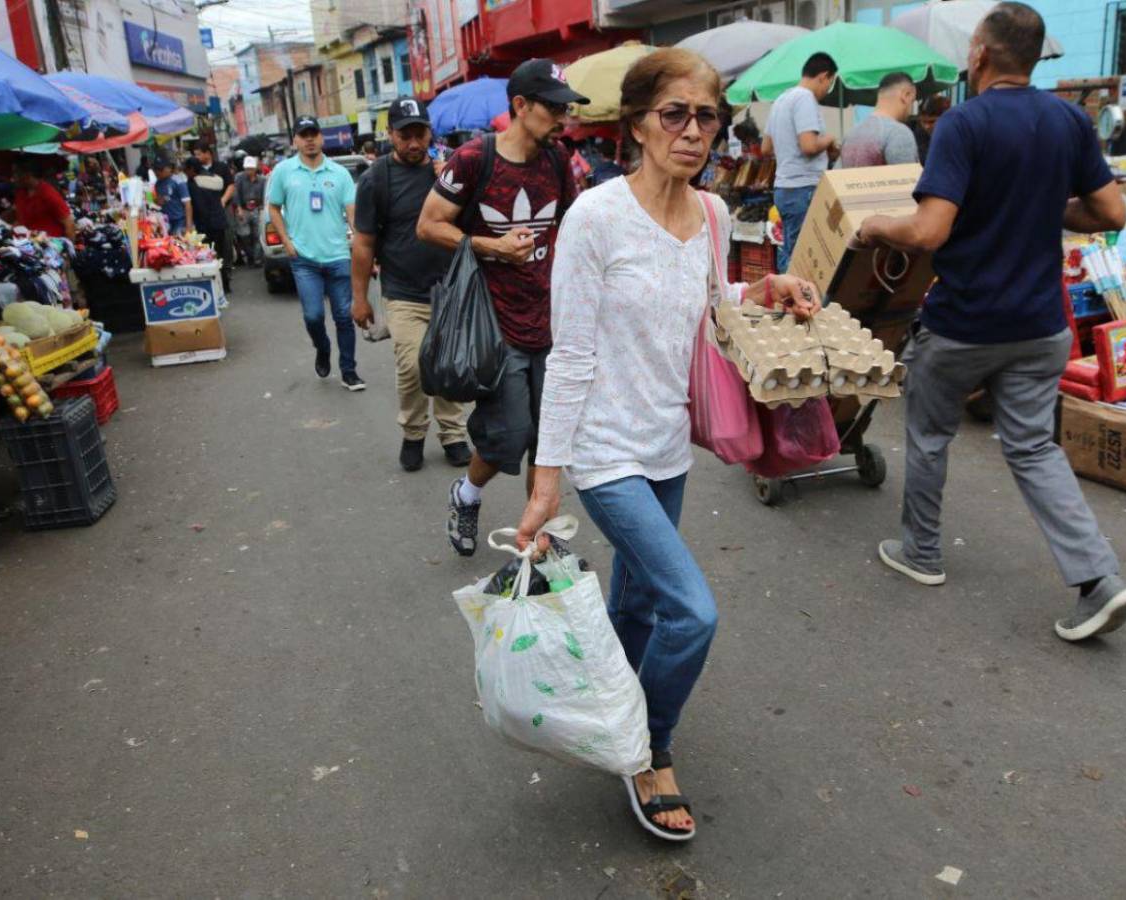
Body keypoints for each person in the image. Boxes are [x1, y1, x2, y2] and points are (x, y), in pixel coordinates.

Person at [514, 47, 821, 842]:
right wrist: (548, 482)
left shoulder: (714, 213)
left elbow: (707, 300)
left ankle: (601, 705)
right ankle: (646, 747)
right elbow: (571, 353)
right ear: (638, 126)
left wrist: (763, 288)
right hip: (606, 453)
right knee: (692, 612)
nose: (693, 131)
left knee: (639, 603)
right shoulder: (595, 217)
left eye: (706, 116)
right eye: (674, 114)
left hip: (667, 445)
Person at [857, 1, 1126, 642]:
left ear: (982, 53)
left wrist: (876, 227)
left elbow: (929, 230)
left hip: (965, 325)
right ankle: (1099, 578)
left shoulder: (964, 123)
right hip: (1041, 328)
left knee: (930, 435)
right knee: (1033, 446)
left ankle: (921, 554)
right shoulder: (1070, 120)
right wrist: (1048, 210)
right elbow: (1112, 213)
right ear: (1035, 57)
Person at [417, 58, 587, 557]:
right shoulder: (473, 159)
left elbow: (573, 227)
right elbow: (429, 225)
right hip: (494, 324)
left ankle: (535, 539)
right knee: (508, 435)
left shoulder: (557, 161)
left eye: (565, 108)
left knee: (548, 440)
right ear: (520, 105)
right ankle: (465, 494)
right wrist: (491, 246)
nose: (563, 118)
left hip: (551, 320)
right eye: (554, 107)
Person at [352, 97, 471, 471]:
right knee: (414, 366)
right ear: (390, 135)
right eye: (405, 135)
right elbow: (364, 242)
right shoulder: (376, 180)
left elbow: (472, 224)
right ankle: (414, 432)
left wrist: (450, 183)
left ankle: (452, 433)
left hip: (450, 288)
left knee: (449, 365)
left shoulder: (449, 173)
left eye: (419, 133)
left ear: (429, 132)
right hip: (403, 292)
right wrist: (360, 298)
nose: (413, 142)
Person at [268, 116, 365, 392]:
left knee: (344, 318)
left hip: (337, 256)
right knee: (313, 316)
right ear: (295, 140)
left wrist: (361, 246)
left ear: (322, 138)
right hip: (304, 260)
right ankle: (322, 348)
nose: (309, 139)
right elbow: (273, 207)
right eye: (303, 134)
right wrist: (286, 242)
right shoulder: (284, 171)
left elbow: (353, 215)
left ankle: (349, 371)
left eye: (314, 134)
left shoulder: (339, 174)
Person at [763, 52, 839, 273]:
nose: (827, 90)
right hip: (802, 188)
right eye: (830, 83)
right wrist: (829, 139)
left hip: (784, 188)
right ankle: (794, 302)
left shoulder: (780, 100)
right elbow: (808, 146)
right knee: (803, 257)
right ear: (823, 76)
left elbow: (766, 148)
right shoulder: (805, 98)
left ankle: (784, 300)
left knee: (788, 250)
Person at [840, 72, 919, 169]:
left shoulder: (850, 134)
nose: (910, 109)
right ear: (905, 95)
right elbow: (908, 181)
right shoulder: (898, 133)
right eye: (912, 100)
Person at [183, 156, 233, 300]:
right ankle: (226, 284)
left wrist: (193, 226)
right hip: (220, 221)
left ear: (192, 169)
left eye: (186, 171)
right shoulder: (213, 178)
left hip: (206, 225)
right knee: (221, 255)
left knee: (208, 257)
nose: (186, 174)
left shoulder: (193, 183)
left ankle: (215, 287)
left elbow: (198, 206)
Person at [12, 157, 75, 240]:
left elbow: (69, 224)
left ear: (27, 175)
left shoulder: (48, 193)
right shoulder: (21, 193)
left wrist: (69, 249)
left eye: (16, 173)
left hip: (51, 246)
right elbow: (20, 219)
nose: (13, 177)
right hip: (28, 245)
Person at [233, 156, 266, 266]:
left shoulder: (262, 180)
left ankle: (257, 259)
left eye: (251, 168)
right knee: (244, 235)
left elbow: (264, 196)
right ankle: (250, 256)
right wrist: (239, 209)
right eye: (247, 168)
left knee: (258, 235)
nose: (249, 171)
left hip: (257, 209)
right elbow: (236, 193)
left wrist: (262, 208)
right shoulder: (239, 178)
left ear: (255, 168)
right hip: (244, 209)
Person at [154, 157, 192, 236]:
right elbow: (160, 202)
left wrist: (188, 226)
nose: (157, 172)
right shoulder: (158, 184)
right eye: (156, 169)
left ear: (169, 168)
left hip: (180, 221)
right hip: (166, 221)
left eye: (160, 169)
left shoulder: (178, 181)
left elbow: (187, 205)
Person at [913, 94, 951, 165]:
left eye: (932, 122)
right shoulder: (918, 135)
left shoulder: (956, 135)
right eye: (923, 122)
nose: (926, 126)